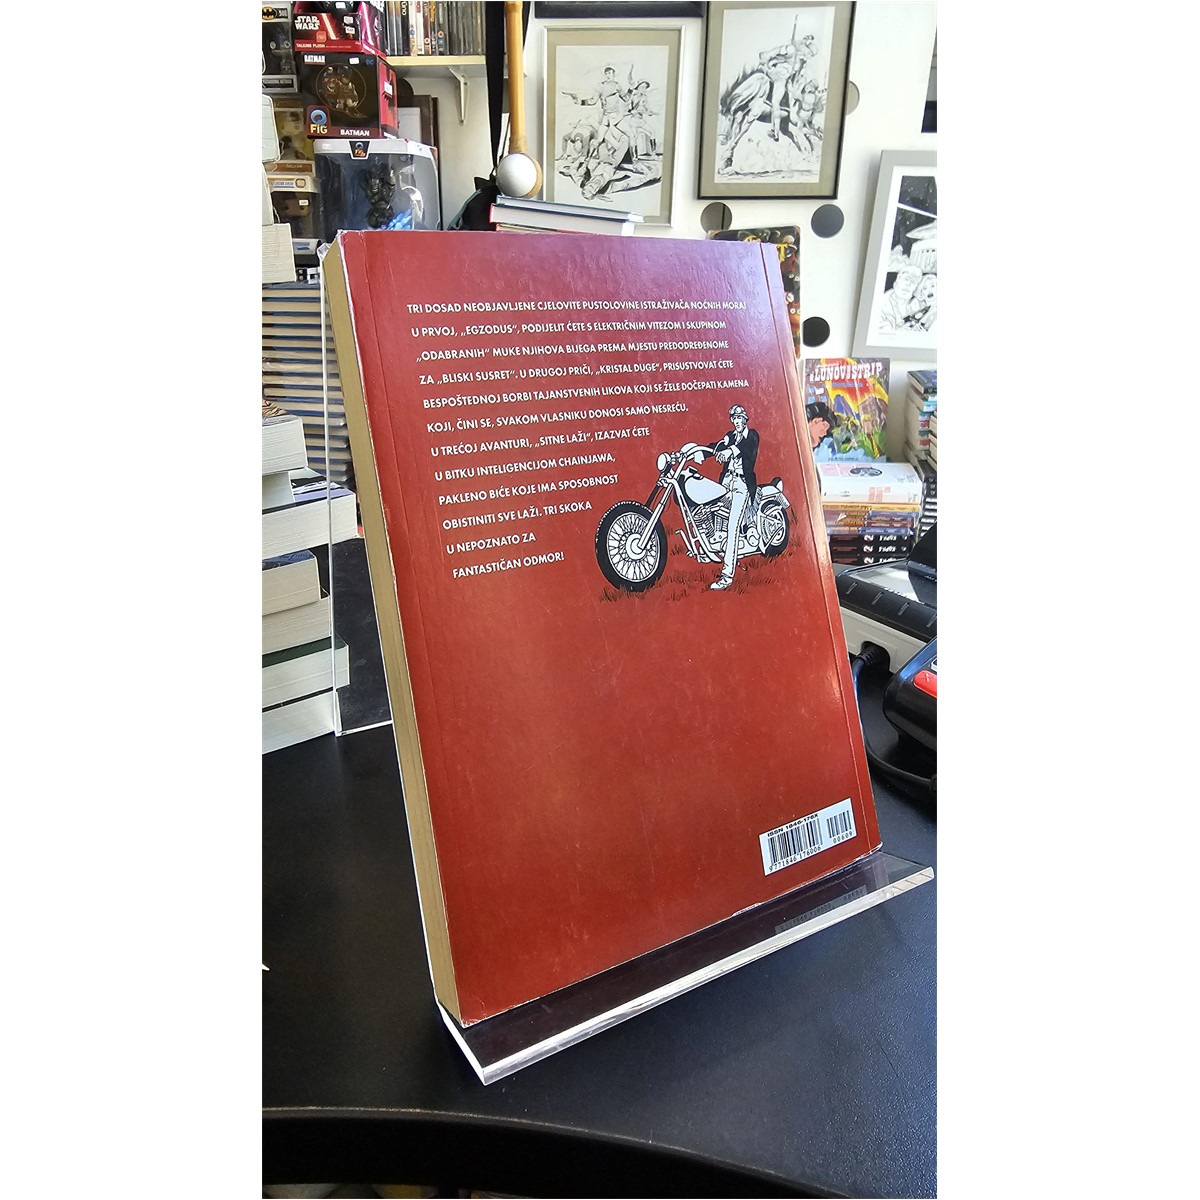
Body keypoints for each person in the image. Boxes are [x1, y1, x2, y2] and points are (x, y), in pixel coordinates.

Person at [709, 404, 759, 590]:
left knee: (733, 526)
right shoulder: (730, 436)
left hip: (741, 484)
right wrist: (694, 451)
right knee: (711, 511)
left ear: (745, 419)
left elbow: (744, 448)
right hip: (726, 481)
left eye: (740, 418)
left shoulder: (751, 435)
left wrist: (728, 451)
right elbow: (717, 445)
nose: (737, 421)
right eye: (734, 418)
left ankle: (727, 575)